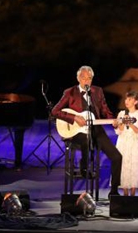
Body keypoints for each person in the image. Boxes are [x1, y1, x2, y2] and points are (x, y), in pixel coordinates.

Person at [52, 65, 122, 197]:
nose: (87, 81)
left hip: (96, 128)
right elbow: (55, 111)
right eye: (84, 78)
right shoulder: (70, 92)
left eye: (89, 78)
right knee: (86, 139)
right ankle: (84, 166)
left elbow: (105, 110)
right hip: (76, 131)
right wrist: (74, 117)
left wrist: (113, 121)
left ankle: (114, 191)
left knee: (117, 157)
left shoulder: (98, 91)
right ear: (78, 78)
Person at [113, 91, 138, 196]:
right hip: (123, 142)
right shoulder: (121, 113)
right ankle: (125, 193)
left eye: (129, 99)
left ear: (136, 101)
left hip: (135, 143)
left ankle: (133, 194)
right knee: (123, 165)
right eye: (126, 99)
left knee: (134, 166)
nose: (126, 101)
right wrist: (119, 124)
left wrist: (131, 124)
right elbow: (119, 131)